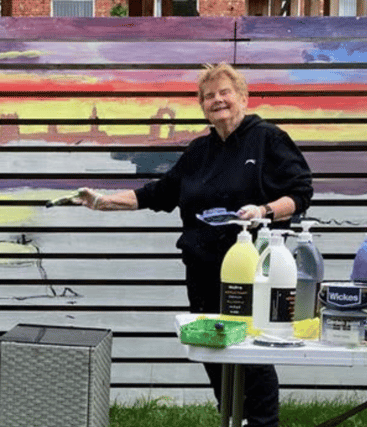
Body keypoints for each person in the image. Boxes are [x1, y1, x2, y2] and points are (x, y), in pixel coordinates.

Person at [73, 62, 313, 427]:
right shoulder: (199, 151)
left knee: (251, 352)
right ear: (201, 106)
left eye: (224, 92)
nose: (217, 100)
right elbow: (158, 193)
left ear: (243, 97)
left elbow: (300, 193)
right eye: (208, 96)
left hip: (251, 271)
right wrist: (102, 201)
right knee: (213, 350)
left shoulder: (267, 138)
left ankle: (263, 423)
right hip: (201, 268)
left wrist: (264, 209)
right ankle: (232, 419)